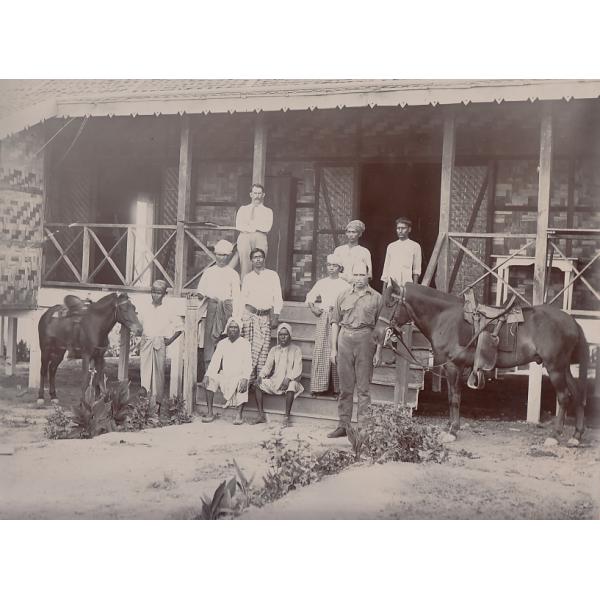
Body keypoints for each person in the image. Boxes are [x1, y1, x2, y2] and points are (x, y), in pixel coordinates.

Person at [328, 261, 383, 438]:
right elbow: (335, 323)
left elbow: (381, 328)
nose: (359, 279)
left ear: (368, 276)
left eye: (362, 275)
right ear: (351, 276)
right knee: (345, 387)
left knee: (364, 388)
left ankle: (364, 427)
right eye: (356, 275)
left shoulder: (376, 298)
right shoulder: (342, 295)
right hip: (345, 340)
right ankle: (343, 425)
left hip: (365, 341)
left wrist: (379, 351)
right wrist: (333, 349)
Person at [305, 254, 349, 395]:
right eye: (329, 265)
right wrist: (313, 309)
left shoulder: (345, 285)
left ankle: (337, 388)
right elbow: (309, 297)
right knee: (321, 350)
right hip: (324, 317)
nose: (331, 268)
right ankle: (319, 386)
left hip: (340, 319)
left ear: (340, 268)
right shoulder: (322, 282)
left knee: (337, 350)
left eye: (334, 265)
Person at [196, 239, 241, 377]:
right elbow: (201, 292)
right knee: (209, 339)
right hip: (212, 308)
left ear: (228, 257)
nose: (221, 258)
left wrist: (235, 316)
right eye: (219, 255)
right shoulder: (209, 272)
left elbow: (237, 296)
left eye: (225, 255)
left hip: (227, 309)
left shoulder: (233, 274)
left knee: (226, 338)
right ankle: (209, 372)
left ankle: (225, 370)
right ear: (215, 255)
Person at [137, 280, 183, 411]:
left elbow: (180, 328)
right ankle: (144, 403)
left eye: (158, 292)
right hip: (146, 342)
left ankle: (157, 404)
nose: (155, 295)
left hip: (159, 343)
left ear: (164, 294)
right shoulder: (145, 307)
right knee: (144, 372)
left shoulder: (168, 309)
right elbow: (139, 324)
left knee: (159, 373)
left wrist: (169, 341)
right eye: (153, 292)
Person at [240, 247, 283, 384]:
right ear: (251, 261)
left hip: (265, 317)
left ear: (264, 259)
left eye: (260, 257)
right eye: (255, 257)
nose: (258, 259)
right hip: (250, 316)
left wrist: (275, 316)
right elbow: (243, 298)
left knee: (263, 350)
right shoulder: (248, 277)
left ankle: (258, 381)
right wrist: (240, 317)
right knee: (249, 350)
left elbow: (278, 296)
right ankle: (247, 379)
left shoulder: (272, 275)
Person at [201, 316, 252, 425]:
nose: (233, 330)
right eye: (230, 327)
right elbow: (215, 361)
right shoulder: (222, 343)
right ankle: (210, 413)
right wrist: (207, 375)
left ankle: (239, 415)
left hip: (239, 376)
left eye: (235, 327)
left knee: (243, 382)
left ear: (239, 330)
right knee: (211, 379)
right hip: (225, 376)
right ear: (227, 329)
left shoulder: (245, 344)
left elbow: (248, 363)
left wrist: (245, 378)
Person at [253, 323, 304, 427]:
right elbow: (268, 366)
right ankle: (261, 415)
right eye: (280, 334)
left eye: (285, 334)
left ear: (290, 335)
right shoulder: (274, 350)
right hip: (275, 380)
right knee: (257, 384)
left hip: (291, 380)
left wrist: (288, 378)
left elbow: (297, 369)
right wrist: (261, 375)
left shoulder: (296, 349)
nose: (283, 337)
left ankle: (286, 417)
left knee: (292, 385)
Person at [235, 183, 273, 280]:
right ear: (251, 194)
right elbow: (239, 226)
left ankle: (259, 291)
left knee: (259, 264)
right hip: (244, 237)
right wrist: (256, 226)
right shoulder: (243, 209)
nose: (257, 196)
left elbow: (267, 227)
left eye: (259, 193)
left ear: (263, 195)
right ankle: (245, 290)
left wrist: (250, 226)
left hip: (260, 237)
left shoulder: (268, 211)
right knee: (245, 266)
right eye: (255, 193)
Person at [381, 217, 422, 288]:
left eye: (403, 228)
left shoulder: (415, 246)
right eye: (398, 228)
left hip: (406, 285)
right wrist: (384, 289)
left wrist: (414, 288)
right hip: (391, 285)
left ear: (409, 229)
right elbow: (386, 269)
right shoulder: (391, 246)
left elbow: (416, 270)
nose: (400, 231)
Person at [333, 219, 372, 283]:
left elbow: (369, 275)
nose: (351, 235)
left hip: (356, 285)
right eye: (349, 232)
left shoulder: (364, 252)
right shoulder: (338, 250)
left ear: (359, 234)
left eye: (354, 232)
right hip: (340, 284)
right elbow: (333, 269)